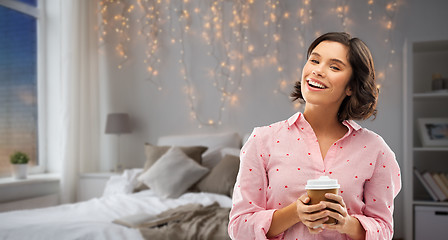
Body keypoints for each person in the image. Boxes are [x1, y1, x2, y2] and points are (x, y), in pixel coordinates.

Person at [228, 32, 401, 240]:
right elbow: (239, 227)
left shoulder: (375, 150)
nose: (318, 70)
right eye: (314, 60)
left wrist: (347, 224)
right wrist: (295, 213)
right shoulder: (262, 141)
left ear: (351, 87)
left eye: (334, 67)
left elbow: (384, 229)